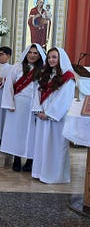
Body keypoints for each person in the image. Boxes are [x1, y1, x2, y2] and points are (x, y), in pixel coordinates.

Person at [31, 47, 75, 183]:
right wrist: (38, 110)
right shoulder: (45, 74)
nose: (51, 60)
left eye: (54, 57)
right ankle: (40, 172)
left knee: (55, 147)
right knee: (41, 145)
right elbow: (36, 94)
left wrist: (49, 114)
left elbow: (64, 98)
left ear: (60, 58)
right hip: (42, 116)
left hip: (56, 119)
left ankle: (55, 176)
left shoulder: (68, 77)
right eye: (49, 57)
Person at [0, 44, 45, 172]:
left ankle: (30, 160)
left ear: (40, 55)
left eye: (35, 53)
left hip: (34, 105)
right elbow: (9, 85)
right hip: (18, 104)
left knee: (32, 133)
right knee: (17, 132)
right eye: (30, 52)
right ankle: (17, 159)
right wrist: (9, 103)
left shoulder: (42, 70)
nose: (32, 55)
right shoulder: (17, 67)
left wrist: (40, 107)